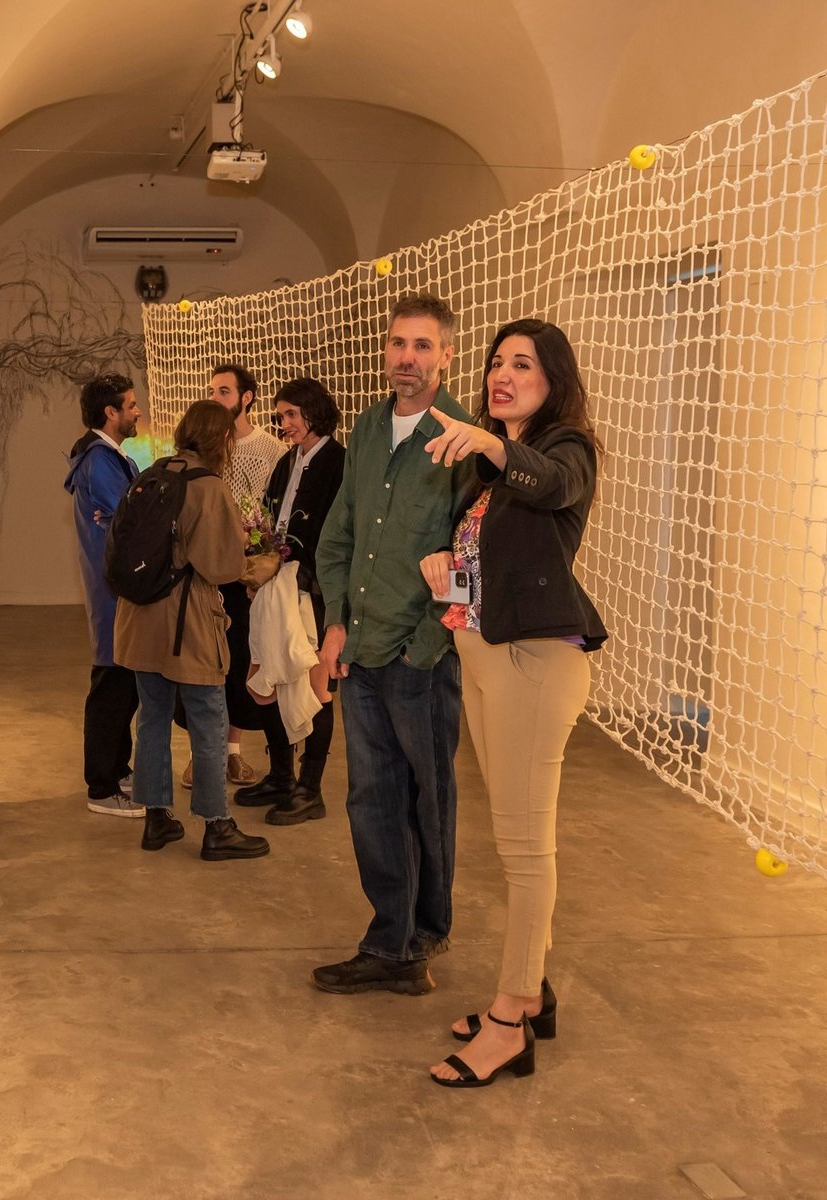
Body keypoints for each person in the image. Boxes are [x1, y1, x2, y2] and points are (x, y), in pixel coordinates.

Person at [417, 319, 608, 1087]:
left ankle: (509, 1020)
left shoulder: (564, 452)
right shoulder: (489, 476)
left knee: (526, 853)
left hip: (536, 669)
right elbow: (488, 577)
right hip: (489, 660)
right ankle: (537, 991)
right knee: (513, 840)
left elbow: (553, 485)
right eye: (497, 362)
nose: (502, 374)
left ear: (552, 379)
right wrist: (446, 572)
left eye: (522, 364)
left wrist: (493, 444)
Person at [312, 293, 475, 995]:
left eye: (422, 345)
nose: (407, 357)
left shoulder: (466, 436)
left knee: (426, 800)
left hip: (419, 658)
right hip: (362, 647)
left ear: (445, 355)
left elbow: (472, 555)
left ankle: (421, 939)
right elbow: (341, 534)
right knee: (372, 802)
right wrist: (336, 623)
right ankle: (389, 944)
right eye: (397, 344)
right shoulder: (370, 427)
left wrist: (424, 647)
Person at [114, 401, 270, 861]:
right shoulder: (209, 487)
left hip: (139, 619)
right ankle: (217, 825)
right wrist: (252, 563)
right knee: (209, 721)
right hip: (186, 623)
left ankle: (157, 818)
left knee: (153, 718)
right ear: (221, 440)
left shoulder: (152, 473)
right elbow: (220, 567)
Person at [235, 378, 346, 825]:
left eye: (291, 416)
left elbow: (338, 531)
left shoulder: (339, 463)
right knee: (274, 676)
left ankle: (310, 788)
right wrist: (259, 550)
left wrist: (290, 555)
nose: (284, 424)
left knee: (315, 685)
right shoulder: (287, 461)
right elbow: (267, 514)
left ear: (314, 413)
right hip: (278, 586)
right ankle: (281, 775)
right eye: (280, 416)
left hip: (314, 589)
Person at [193, 363, 286, 791]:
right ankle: (202, 755)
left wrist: (261, 561)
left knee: (243, 663)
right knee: (206, 662)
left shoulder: (271, 449)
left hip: (251, 575)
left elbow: (275, 514)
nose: (216, 398)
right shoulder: (206, 449)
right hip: (209, 571)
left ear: (246, 397)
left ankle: (233, 753)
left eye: (225, 391)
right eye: (212, 390)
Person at [64, 373, 143, 817]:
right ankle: (102, 785)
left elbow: (127, 511)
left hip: (115, 589)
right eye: (130, 405)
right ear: (110, 413)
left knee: (123, 684)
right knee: (111, 688)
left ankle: (117, 766)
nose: (137, 412)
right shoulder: (100, 462)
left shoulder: (108, 458)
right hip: (115, 592)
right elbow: (131, 520)